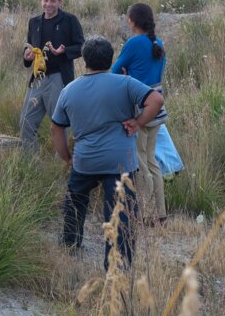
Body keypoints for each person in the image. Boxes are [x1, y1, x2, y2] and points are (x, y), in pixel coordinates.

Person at [50, 36, 165, 270]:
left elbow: (56, 128)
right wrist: (138, 122)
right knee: (120, 212)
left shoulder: (69, 90)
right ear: (110, 59)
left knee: (75, 201)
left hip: (85, 160)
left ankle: (71, 243)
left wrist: (67, 157)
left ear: (85, 61)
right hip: (120, 160)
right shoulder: (125, 83)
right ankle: (118, 264)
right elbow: (156, 99)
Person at [111, 3, 168, 226]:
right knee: (152, 160)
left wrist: (126, 74)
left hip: (140, 106)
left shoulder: (134, 43)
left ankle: (145, 213)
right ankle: (160, 212)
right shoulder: (158, 43)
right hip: (157, 105)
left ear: (132, 20)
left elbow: (115, 70)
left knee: (140, 161)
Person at [20, 0, 85, 152]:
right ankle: (31, 164)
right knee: (25, 122)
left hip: (59, 78)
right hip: (38, 78)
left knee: (60, 124)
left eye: (52, 1)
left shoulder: (70, 20)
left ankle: (61, 163)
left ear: (60, 2)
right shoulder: (34, 22)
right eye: (45, 0)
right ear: (41, 1)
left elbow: (81, 47)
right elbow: (29, 46)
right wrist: (27, 56)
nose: (48, 4)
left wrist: (64, 52)